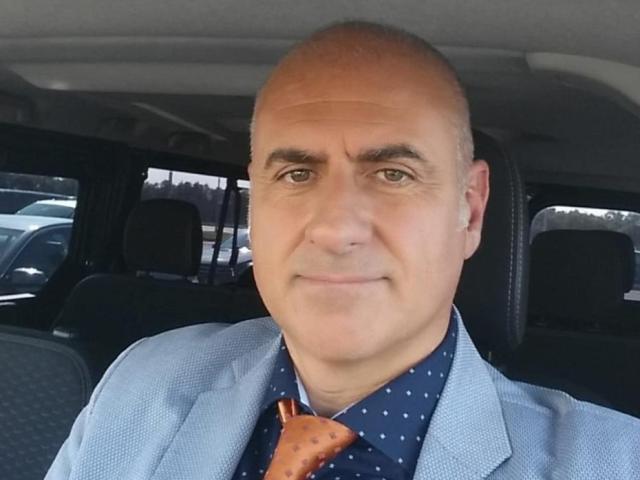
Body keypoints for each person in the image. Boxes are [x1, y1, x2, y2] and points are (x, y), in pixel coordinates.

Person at [46, 21, 640, 480]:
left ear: (471, 211)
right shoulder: (141, 382)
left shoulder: (612, 461)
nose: (334, 230)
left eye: (393, 174)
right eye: (296, 174)